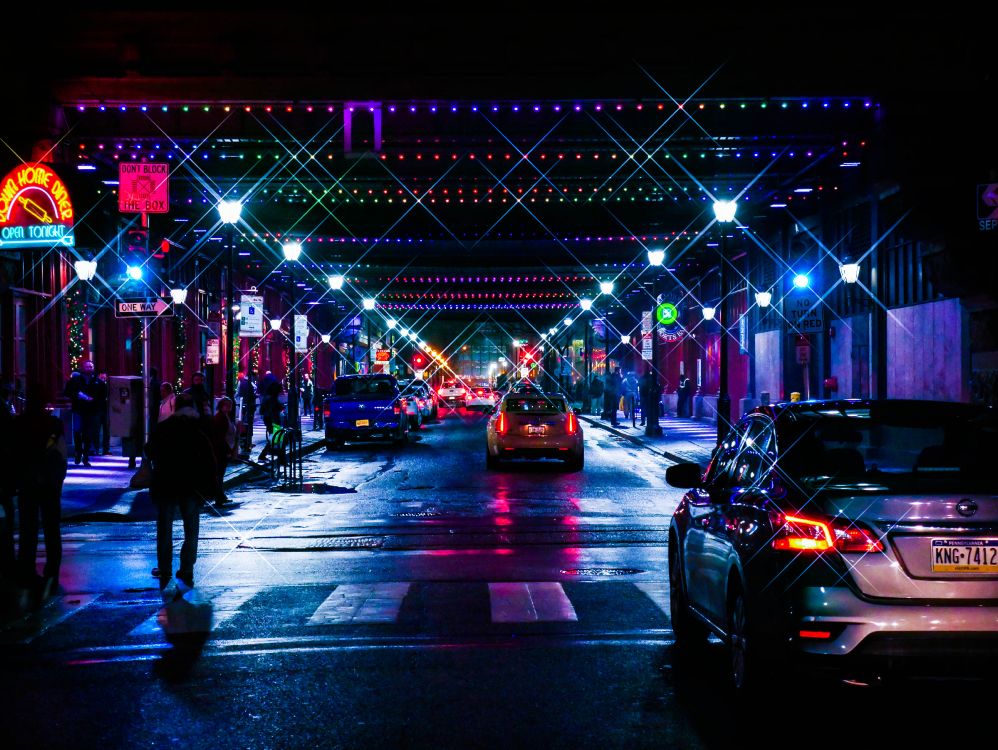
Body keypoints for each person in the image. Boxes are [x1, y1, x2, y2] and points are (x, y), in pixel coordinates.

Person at [145, 393, 217, 591]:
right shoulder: (197, 429)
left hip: (166, 483)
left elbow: (150, 450)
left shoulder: (164, 428)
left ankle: (165, 567)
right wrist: (212, 487)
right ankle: (186, 568)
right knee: (191, 528)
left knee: (164, 527)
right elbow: (209, 459)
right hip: (191, 486)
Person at [14, 387, 67, 599]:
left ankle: (27, 569)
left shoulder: (18, 424)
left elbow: (13, 454)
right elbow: (60, 455)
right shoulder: (53, 424)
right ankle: (52, 569)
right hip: (49, 482)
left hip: (27, 481)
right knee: (51, 527)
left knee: (28, 528)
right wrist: (57, 479)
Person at [65, 360, 102, 466]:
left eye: (91, 366)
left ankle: (85, 457)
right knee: (77, 432)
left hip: (91, 411)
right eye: (87, 366)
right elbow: (67, 392)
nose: (89, 368)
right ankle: (78, 452)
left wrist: (94, 401)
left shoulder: (97, 381)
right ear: (82, 368)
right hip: (78, 409)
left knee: (88, 434)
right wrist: (78, 396)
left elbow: (102, 395)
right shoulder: (75, 380)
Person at [211, 397, 238, 506]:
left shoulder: (225, 416)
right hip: (221, 449)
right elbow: (220, 436)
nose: (229, 407)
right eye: (226, 405)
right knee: (219, 473)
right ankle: (219, 496)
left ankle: (221, 495)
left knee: (221, 473)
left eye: (230, 405)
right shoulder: (220, 418)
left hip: (225, 447)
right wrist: (227, 450)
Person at [237, 372, 256, 455]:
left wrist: (236, 397)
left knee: (244, 420)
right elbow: (255, 388)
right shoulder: (250, 383)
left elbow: (238, 391)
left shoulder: (241, 382)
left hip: (243, 403)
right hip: (250, 404)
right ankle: (247, 441)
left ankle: (245, 441)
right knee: (249, 421)